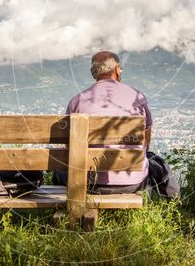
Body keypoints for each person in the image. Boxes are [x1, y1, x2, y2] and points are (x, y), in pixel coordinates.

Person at [58, 51, 152, 194]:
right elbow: (146, 142)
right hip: (133, 182)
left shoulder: (77, 101)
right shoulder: (137, 97)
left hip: (88, 182)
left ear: (93, 73)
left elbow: (69, 146)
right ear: (116, 70)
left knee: (59, 172)